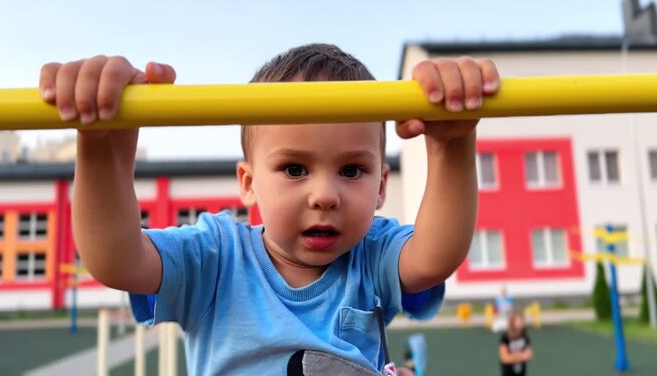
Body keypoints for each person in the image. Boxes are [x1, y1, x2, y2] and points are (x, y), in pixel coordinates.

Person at [38, 44, 500, 375]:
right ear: (249, 183)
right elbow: (116, 259)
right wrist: (99, 150)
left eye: (352, 170)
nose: (325, 195)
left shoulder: (371, 254)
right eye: (295, 168)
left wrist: (452, 146)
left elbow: (435, 255)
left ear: (382, 186)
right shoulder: (217, 258)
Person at [498, 310, 534, 376]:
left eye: (522, 321)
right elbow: (504, 358)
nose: (521, 323)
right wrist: (520, 356)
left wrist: (516, 356)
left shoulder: (524, 336)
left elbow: (529, 354)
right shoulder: (506, 337)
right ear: (512, 322)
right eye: (518, 321)